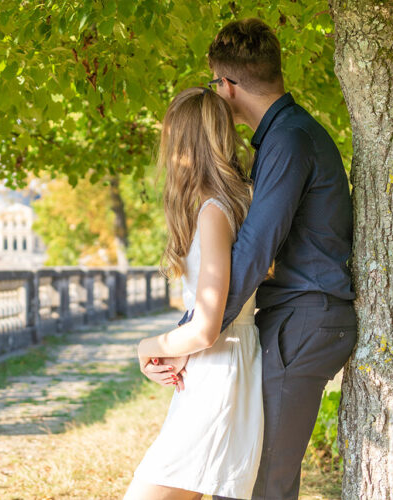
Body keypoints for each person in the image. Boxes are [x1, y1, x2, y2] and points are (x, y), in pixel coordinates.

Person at [142, 19, 358, 500]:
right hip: (294, 319)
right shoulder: (284, 138)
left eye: (216, 83)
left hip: (304, 320)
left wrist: (190, 336)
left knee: (263, 486)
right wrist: (190, 333)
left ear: (229, 85)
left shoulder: (289, 140)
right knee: (244, 482)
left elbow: (255, 251)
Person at [124, 87, 265, 500]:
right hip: (217, 368)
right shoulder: (223, 206)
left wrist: (147, 347)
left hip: (219, 374)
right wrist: (172, 349)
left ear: (183, 144)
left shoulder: (213, 212)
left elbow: (206, 328)